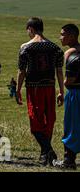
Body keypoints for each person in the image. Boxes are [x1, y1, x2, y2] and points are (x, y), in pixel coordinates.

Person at [17, 17, 64, 166]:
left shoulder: (25, 47)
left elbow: (21, 71)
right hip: (50, 87)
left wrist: (17, 89)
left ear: (30, 29)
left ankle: (48, 151)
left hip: (33, 87)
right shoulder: (56, 48)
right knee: (48, 119)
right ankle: (45, 154)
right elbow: (59, 72)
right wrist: (62, 91)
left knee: (35, 120)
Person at [54, 24, 80, 169]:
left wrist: (63, 85)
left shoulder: (71, 54)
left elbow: (70, 79)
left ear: (71, 36)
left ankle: (68, 160)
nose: (60, 37)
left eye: (63, 34)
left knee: (71, 126)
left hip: (75, 94)